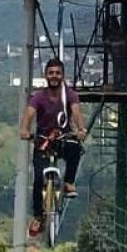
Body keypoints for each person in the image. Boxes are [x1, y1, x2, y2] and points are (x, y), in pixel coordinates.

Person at [19, 58, 87, 238]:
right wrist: (25, 130)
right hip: (43, 140)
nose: (54, 76)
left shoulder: (69, 95)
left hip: (63, 137)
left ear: (62, 75)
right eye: (51, 73)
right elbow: (29, 114)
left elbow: (76, 112)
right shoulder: (39, 97)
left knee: (75, 149)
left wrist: (81, 129)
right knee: (39, 178)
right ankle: (38, 216)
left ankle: (68, 182)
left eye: (57, 73)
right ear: (46, 76)